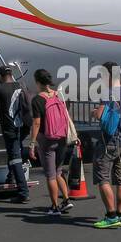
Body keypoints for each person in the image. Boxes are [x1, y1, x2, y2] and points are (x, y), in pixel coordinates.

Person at [92, 61, 121, 229]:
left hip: (109, 142)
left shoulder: (108, 93)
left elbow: (100, 115)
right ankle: (120, 215)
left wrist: (95, 112)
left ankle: (110, 216)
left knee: (103, 178)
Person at [28, 69, 75, 217]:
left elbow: (36, 123)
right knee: (59, 171)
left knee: (50, 175)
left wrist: (32, 143)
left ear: (38, 82)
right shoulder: (59, 95)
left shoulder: (37, 100)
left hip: (47, 140)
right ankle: (66, 199)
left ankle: (54, 206)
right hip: (61, 138)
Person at [0, 65, 31, 203]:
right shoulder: (21, 86)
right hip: (24, 127)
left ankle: (23, 192)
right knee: (14, 153)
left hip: (11, 129)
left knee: (15, 159)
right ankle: (11, 177)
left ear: (0, 77)